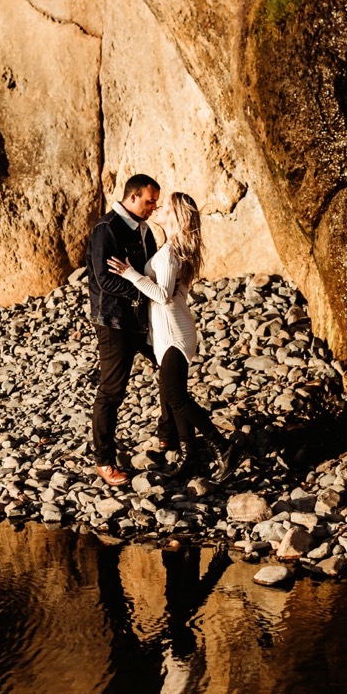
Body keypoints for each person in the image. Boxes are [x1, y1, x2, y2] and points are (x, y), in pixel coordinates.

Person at [107, 191, 239, 483]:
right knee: (171, 394)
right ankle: (190, 456)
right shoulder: (171, 249)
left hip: (175, 334)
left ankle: (223, 446)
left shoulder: (169, 254)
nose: (157, 209)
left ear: (175, 217)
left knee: (177, 398)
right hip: (170, 333)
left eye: (164, 206)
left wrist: (130, 274)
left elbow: (163, 296)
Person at [86, 174, 160, 486]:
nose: (153, 207)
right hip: (114, 322)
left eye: (155, 202)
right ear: (132, 198)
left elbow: (151, 268)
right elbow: (105, 279)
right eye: (149, 201)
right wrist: (146, 291)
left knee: (168, 369)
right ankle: (104, 460)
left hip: (142, 319)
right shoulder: (107, 229)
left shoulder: (144, 228)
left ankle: (170, 438)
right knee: (112, 391)